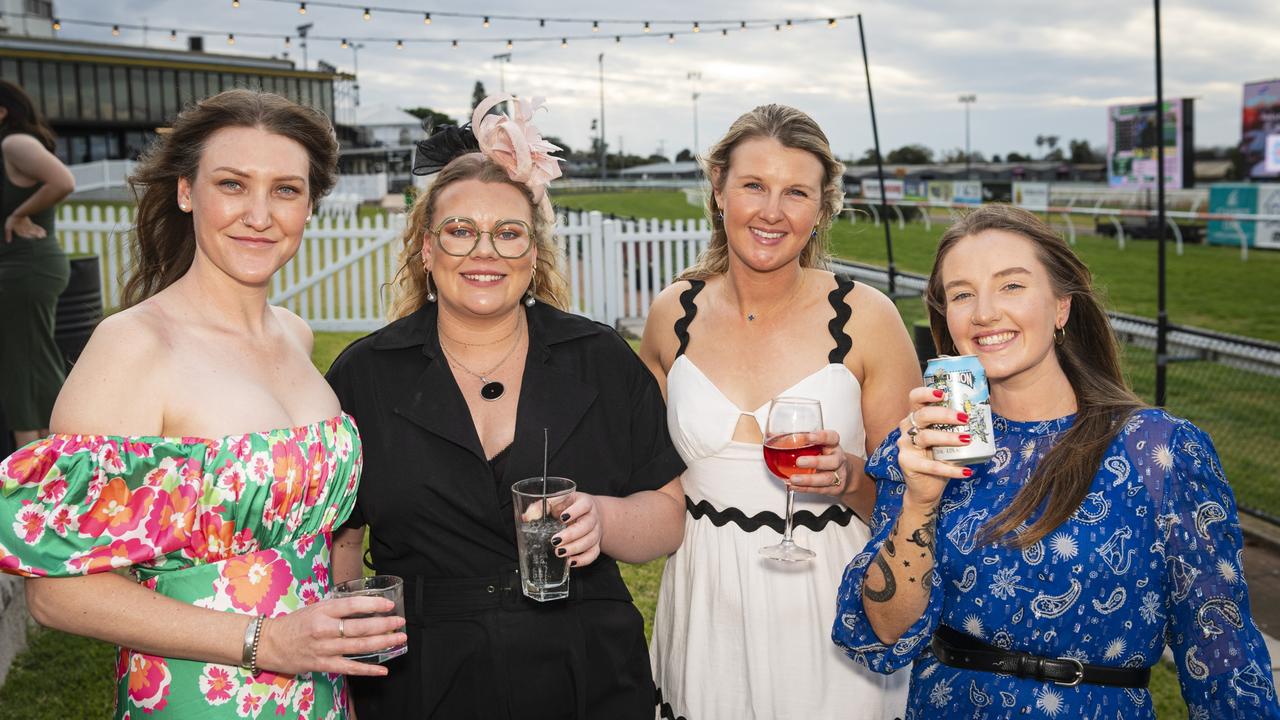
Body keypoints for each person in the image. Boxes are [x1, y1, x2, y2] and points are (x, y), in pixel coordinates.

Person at [0, 89, 406, 719]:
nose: (260, 214)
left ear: (310, 204)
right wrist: (263, 641)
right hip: (202, 694)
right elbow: (58, 593)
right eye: (233, 184)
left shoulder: (295, 335)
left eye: (286, 190)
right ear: (187, 192)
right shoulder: (134, 346)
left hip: (320, 688)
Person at [833, 204, 1280, 719]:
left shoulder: (1159, 451)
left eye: (1012, 286)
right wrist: (919, 500)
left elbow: (1222, 657)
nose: (983, 313)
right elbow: (880, 634)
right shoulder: (921, 447)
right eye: (962, 294)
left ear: (1062, 306)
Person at [326, 94, 687, 720]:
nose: (484, 251)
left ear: (534, 253)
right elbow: (343, 543)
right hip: (421, 674)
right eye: (460, 231)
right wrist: (348, 678)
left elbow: (667, 516)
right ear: (426, 250)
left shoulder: (599, 358)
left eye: (508, 233)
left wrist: (604, 519)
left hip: (586, 667)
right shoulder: (366, 375)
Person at [641, 104, 917, 719]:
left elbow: (918, 510)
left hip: (828, 613)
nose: (772, 211)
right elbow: (636, 473)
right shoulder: (670, 314)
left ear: (822, 207)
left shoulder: (868, 319)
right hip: (705, 607)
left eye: (796, 192)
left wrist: (848, 476)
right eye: (753, 186)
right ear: (718, 190)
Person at [0, 79, 75, 447]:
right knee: (32, 364)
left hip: (26, 268)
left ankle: (29, 477)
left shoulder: (14, 143)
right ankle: (56, 458)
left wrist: (18, 215)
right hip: (21, 269)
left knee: (23, 370)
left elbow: (63, 180)